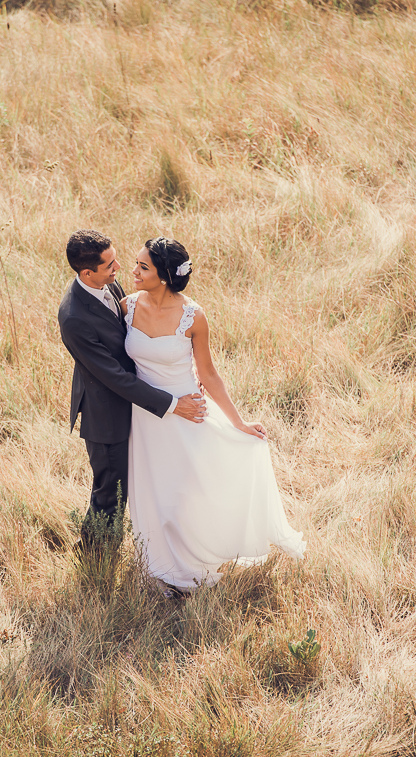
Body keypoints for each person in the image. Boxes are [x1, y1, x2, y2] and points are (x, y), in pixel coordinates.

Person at [124, 236, 306, 592]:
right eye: (135, 264)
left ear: (163, 276)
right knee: (151, 491)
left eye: (143, 267)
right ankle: (159, 566)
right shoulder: (127, 306)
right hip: (144, 415)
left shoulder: (194, 315)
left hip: (187, 413)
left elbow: (208, 373)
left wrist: (238, 422)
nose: (134, 271)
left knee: (185, 491)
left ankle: (191, 559)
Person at [57, 230, 206, 552]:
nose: (119, 269)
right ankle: (95, 557)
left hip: (138, 405)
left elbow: (136, 339)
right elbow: (113, 378)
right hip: (105, 411)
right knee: (111, 489)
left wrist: (180, 368)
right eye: (110, 265)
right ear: (87, 273)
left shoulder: (108, 285)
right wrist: (172, 403)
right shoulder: (73, 319)